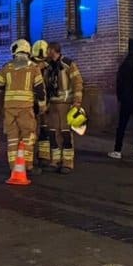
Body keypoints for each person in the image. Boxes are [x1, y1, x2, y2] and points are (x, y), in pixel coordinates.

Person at [0, 39, 47, 173]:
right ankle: (28, 166)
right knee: (28, 137)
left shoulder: (7, 67)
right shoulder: (33, 67)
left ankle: (14, 167)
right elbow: (40, 89)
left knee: (12, 138)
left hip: (9, 108)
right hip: (26, 108)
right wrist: (42, 105)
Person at [43, 42, 84, 174]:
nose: (46, 53)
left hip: (66, 104)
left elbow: (77, 82)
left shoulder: (68, 64)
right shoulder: (48, 66)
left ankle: (67, 163)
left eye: (48, 50)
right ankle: (55, 161)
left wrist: (77, 103)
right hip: (52, 105)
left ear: (53, 50)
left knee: (66, 133)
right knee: (53, 133)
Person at [109, 39, 133, 160]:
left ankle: (117, 150)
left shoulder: (124, 65)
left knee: (121, 126)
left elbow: (119, 82)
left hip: (125, 99)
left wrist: (120, 97)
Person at [31, 40, 51, 165]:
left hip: (46, 102)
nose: (39, 63)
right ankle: (32, 156)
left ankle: (44, 155)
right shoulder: (30, 67)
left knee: (45, 129)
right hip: (32, 102)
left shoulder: (50, 68)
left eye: (41, 61)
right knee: (32, 130)